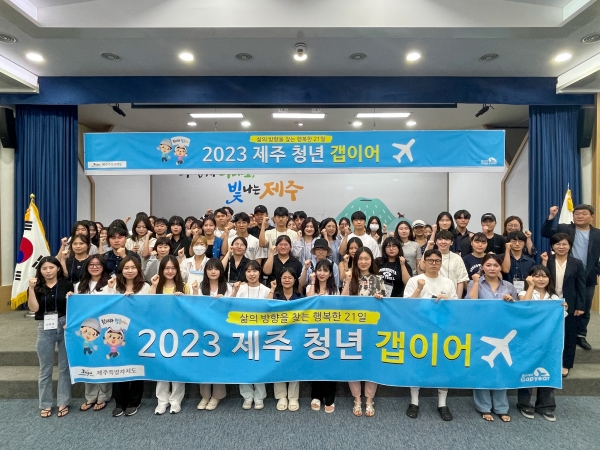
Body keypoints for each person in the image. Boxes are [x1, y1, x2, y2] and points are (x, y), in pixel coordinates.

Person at [404, 249, 458, 421]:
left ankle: (442, 404)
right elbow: (406, 307)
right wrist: (419, 289)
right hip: (419, 328)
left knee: (443, 365)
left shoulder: (448, 282)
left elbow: (456, 308)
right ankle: (414, 402)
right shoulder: (414, 280)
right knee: (417, 363)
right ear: (424, 262)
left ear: (441, 263)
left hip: (442, 329)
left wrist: (447, 301)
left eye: (437, 261)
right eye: (430, 260)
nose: (434, 263)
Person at [467, 254, 518, 423]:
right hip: (481, 332)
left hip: (502, 332)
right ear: (482, 267)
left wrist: (511, 301)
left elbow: (518, 310)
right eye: (488, 265)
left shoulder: (509, 286)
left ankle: (501, 407)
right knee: (482, 368)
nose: (492, 268)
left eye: (496, 265)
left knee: (501, 368)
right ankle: (484, 407)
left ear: (500, 267)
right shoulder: (474, 283)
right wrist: (476, 282)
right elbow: (470, 303)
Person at [542, 204, 600, 351]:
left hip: (588, 276)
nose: (579, 216)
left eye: (584, 213)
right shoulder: (565, 228)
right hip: (567, 273)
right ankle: (560, 333)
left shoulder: (597, 234)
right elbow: (545, 232)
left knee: (584, 306)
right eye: (577, 213)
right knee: (563, 305)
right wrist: (551, 217)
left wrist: (596, 269)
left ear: (592, 217)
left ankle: (581, 335)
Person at [27, 256, 74, 418]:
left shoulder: (67, 284)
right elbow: (34, 308)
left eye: (51, 267)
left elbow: (73, 307)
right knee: (45, 368)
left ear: (58, 268)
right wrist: (31, 289)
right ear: (40, 270)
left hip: (65, 324)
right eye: (44, 268)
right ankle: (45, 404)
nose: (48, 271)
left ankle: (63, 402)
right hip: (45, 326)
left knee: (64, 367)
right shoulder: (37, 286)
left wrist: (71, 298)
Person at [341, 247, 385, 417]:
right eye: (360, 259)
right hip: (352, 328)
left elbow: (385, 304)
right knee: (353, 362)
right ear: (356, 261)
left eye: (367, 258)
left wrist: (380, 298)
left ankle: (369, 400)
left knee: (371, 363)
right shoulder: (350, 277)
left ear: (371, 260)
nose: (363, 262)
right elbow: (342, 301)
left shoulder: (378, 279)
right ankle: (357, 399)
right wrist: (347, 281)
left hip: (372, 329)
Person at [516, 265, 561, 422]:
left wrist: (564, 308)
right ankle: (524, 404)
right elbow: (524, 307)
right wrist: (531, 286)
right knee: (527, 371)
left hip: (548, 342)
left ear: (549, 279)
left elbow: (560, 319)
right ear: (530, 278)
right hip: (527, 341)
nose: (541, 279)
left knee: (548, 371)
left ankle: (545, 406)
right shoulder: (523, 293)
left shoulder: (554, 297)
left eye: (544, 276)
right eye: (537, 276)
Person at [75, 255, 115, 413]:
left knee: (103, 361)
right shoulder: (79, 286)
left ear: (103, 267)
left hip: (104, 328)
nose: (95, 267)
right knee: (88, 360)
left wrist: (111, 289)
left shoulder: (110, 283)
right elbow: (76, 309)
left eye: (98, 264)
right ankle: (90, 396)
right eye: (91, 264)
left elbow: (114, 303)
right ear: (87, 267)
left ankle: (103, 396)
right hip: (86, 330)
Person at [541, 233, 585, 377]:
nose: (561, 247)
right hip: (550, 303)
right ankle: (548, 362)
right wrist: (543, 263)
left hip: (569, 304)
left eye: (564, 244)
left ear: (570, 246)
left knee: (569, 335)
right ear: (552, 246)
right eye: (558, 244)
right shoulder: (547, 260)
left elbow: (581, 286)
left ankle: (566, 364)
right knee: (549, 334)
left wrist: (580, 306)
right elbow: (541, 278)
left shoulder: (577, 263)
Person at [150, 255, 189, 415]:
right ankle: (162, 401)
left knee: (177, 366)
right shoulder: (156, 286)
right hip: (159, 331)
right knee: (161, 366)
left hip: (179, 331)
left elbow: (191, 309)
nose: (170, 271)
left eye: (173, 268)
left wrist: (183, 299)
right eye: (167, 268)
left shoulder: (184, 286)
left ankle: (175, 401)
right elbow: (149, 306)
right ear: (161, 270)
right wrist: (153, 286)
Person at [112, 256, 151, 417]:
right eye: (126, 268)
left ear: (138, 270)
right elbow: (105, 305)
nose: (130, 271)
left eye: (133, 267)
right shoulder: (114, 285)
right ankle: (119, 402)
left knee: (136, 365)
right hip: (117, 332)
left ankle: (134, 401)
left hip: (137, 330)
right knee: (118, 365)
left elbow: (148, 308)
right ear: (121, 270)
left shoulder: (145, 287)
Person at [192, 258, 231, 411]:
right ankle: (205, 395)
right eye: (210, 269)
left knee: (218, 363)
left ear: (221, 271)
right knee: (204, 362)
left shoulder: (227, 287)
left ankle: (217, 396)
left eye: (216, 269)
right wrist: (195, 291)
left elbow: (233, 308)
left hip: (222, 330)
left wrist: (224, 301)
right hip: (203, 330)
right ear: (205, 271)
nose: (213, 271)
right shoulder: (200, 285)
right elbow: (194, 307)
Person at [232, 261, 271, 410]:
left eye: (255, 271)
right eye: (248, 271)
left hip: (260, 334)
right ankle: (247, 396)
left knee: (259, 364)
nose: (252, 274)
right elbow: (230, 306)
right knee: (244, 364)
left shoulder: (266, 290)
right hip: (242, 333)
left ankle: (259, 396)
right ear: (245, 273)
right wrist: (235, 291)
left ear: (259, 273)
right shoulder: (240, 289)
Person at [306, 259, 339, 414]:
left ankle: (330, 398)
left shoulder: (334, 290)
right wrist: (313, 282)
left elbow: (339, 308)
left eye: (326, 270)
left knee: (330, 364)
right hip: (313, 331)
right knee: (315, 363)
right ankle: (316, 396)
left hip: (330, 331)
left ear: (330, 273)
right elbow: (309, 302)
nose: (322, 273)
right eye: (319, 270)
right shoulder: (310, 286)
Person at [268, 268, 303, 411]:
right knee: (278, 364)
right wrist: (272, 289)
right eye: (284, 277)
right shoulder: (275, 295)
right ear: (280, 279)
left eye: (290, 277)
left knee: (294, 364)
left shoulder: (300, 297)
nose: (287, 280)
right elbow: (267, 308)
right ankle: (281, 396)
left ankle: (293, 397)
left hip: (295, 336)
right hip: (277, 335)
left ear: (295, 280)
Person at [420, 230, 469, 298]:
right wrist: (428, 248)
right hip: (430, 295)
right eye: (440, 239)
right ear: (436, 242)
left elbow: (460, 281)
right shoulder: (431, 256)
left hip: (450, 296)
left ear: (451, 242)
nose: (443, 242)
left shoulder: (457, 258)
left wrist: (457, 301)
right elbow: (422, 267)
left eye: (446, 239)